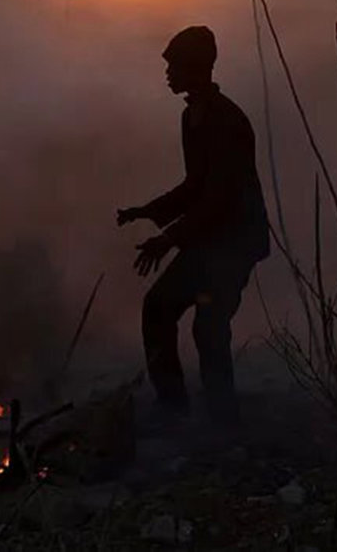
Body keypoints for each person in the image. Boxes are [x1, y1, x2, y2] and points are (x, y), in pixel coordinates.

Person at [117, 25, 270, 424]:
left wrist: (167, 239)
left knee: (209, 326)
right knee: (159, 308)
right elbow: (194, 186)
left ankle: (223, 420)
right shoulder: (192, 117)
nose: (167, 74)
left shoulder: (227, 122)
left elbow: (219, 198)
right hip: (209, 240)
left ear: (196, 68)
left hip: (234, 241)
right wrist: (148, 210)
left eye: (174, 67)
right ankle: (174, 407)